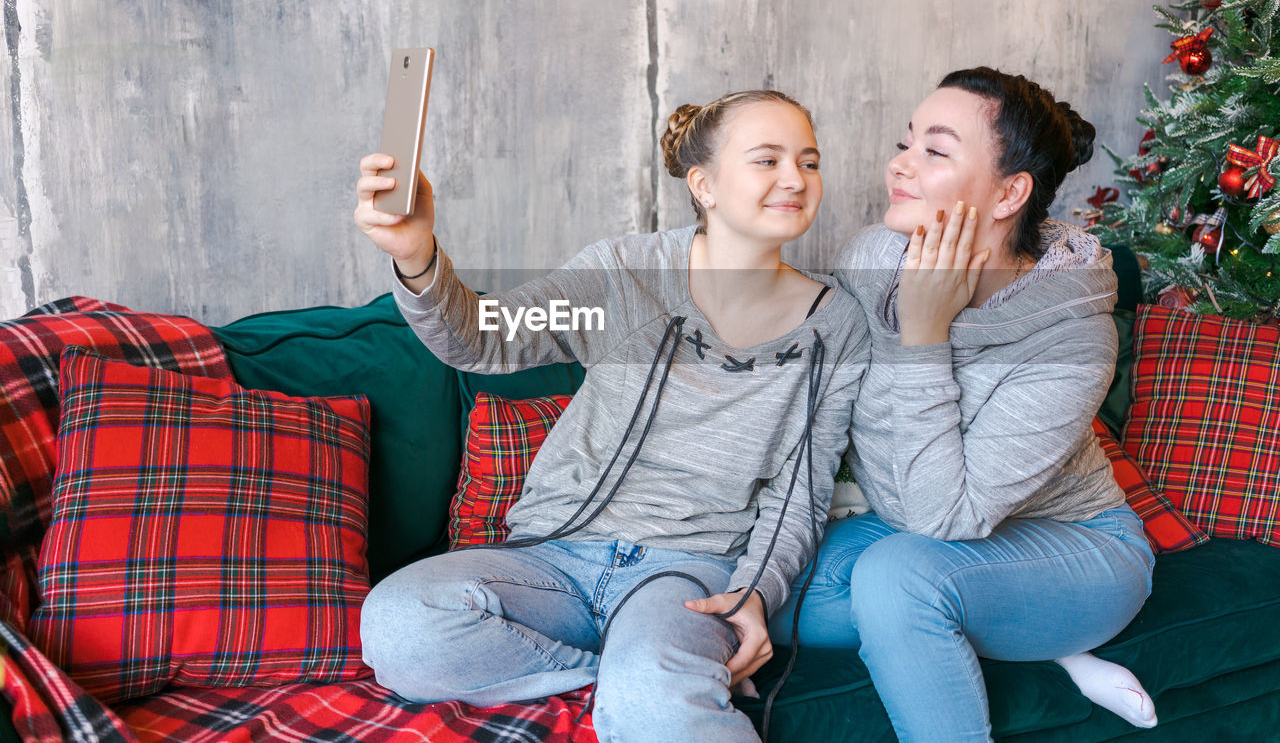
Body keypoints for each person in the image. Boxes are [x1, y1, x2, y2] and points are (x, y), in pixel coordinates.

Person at [354, 89, 870, 742]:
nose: (795, 179)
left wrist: (757, 593)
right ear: (704, 185)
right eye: (767, 160)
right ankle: (621, 687)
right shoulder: (626, 275)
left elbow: (801, 491)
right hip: (553, 558)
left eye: (810, 161)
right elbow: (479, 338)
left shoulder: (835, 327)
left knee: (655, 699)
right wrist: (415, 252)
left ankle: (646, 690)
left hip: (688, 570)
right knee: (398, 624)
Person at [770, 67, 1158, 742]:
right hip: (917, 531)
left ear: (1010, 192)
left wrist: (922, 335)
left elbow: (942, 514)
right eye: (906, 142)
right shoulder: (873, 260)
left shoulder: (1073, 333)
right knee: (744, 592)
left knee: (897, 581)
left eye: (936, 151)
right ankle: (1037, 647)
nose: (901, 164)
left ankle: (997, 629)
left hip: (1080, 550)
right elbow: (828, 423)